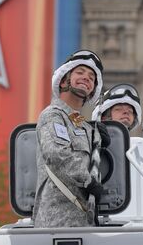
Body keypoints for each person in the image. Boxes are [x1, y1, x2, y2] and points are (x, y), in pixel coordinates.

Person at [33, 50, 106, 228]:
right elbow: (56, 153)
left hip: (83, 220)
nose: (86, 78)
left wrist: (98, 137)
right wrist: (87, 181)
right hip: (56, 221)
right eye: (80, 72)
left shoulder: (79, 124)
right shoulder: (53, 116)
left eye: (92, 77)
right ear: (65, 80)